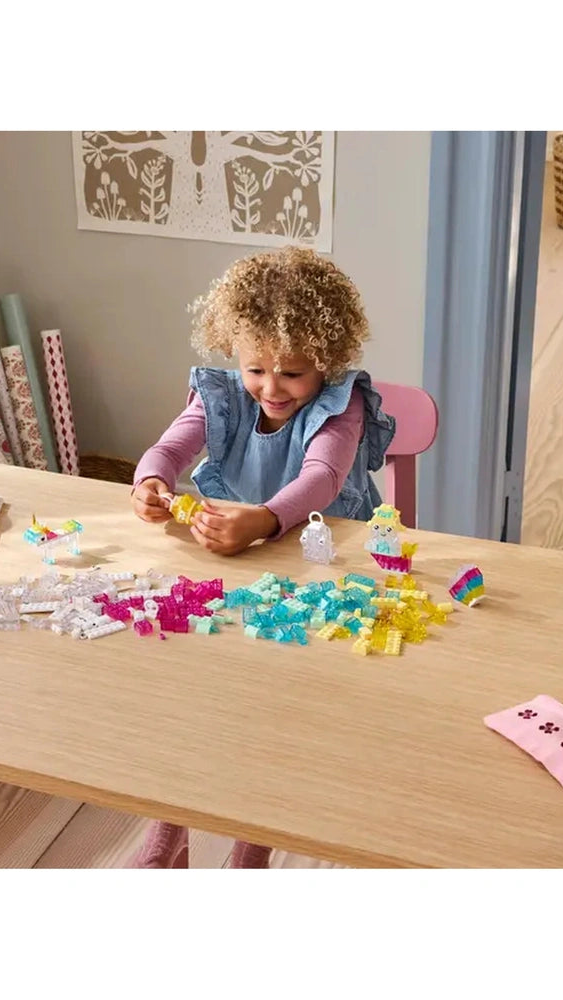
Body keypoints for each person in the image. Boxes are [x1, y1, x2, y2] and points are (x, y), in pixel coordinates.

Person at [128, 245, 396, 868]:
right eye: (257, 369)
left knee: (280, 712)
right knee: (191, 699)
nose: (271, 388)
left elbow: (324, 477)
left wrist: (267, 518)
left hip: (319, 566)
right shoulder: (223, 394)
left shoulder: (341, 404)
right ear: (235, 353)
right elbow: (170, 447)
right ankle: (171, 826)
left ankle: (255, 837)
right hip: (237, 565)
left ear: (325, 365)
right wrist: (149, 482)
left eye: (293, 373)